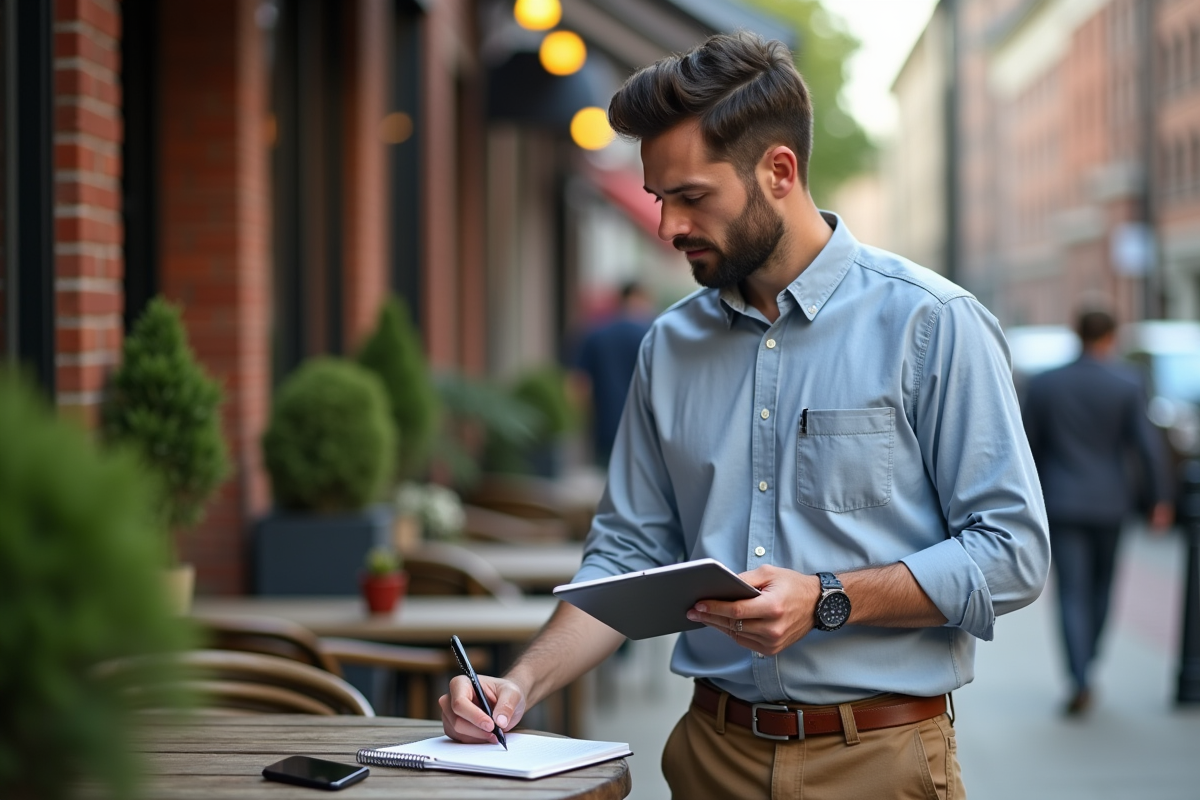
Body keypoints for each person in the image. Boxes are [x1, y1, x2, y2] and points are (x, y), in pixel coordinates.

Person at [441, 32, 1049, 798]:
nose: (668, 228)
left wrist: (829, 598)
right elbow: (626, 555)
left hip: (879, 760)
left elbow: (1012, 553)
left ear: (779, 172)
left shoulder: (931, 323)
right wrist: (522, 684)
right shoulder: (669, 345)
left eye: (692, 197)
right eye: (661, 199)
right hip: (707, 758)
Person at [1022, 308, 1173, 716]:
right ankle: (1088, 665)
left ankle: (1078, 676)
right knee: (1102, 588)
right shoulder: (1127, 382)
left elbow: (1027, 451)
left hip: (1061, 501)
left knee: (1070, 591)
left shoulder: (1045, 384)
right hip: (1111, 502)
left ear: (1078, 334)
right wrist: (1160, 500)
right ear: (1111, 336)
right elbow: (1147, 446)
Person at [572, 281, 656, 467]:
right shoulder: (654, 335)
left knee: (607, 480)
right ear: (641, 300)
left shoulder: (595, 334)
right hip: (646, 428)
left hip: (606, 426)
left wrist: (586, 421)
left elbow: (578, 387)